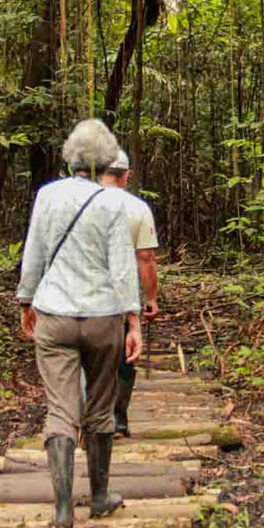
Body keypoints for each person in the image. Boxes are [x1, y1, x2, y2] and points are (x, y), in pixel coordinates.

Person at [17, 119, 144, 528]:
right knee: (101, 408)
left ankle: (62, 507)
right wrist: (134, 321)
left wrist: (25, 299)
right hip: (102, 317)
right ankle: (101, 495)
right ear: (106, 160)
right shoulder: (111, 202)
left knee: (60, 410)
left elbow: (34, 249)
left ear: (70, 158)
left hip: (53, 314)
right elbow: (122, 266)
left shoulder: (47, 196)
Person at [101, 150, 159, 437]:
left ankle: (90, 415)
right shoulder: (137, 208)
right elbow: (145, 257)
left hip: (83, 294)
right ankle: (117, 418)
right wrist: (150, 299)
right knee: (125, 354)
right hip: (122, 295)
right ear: (126, 175)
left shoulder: (81, 203)